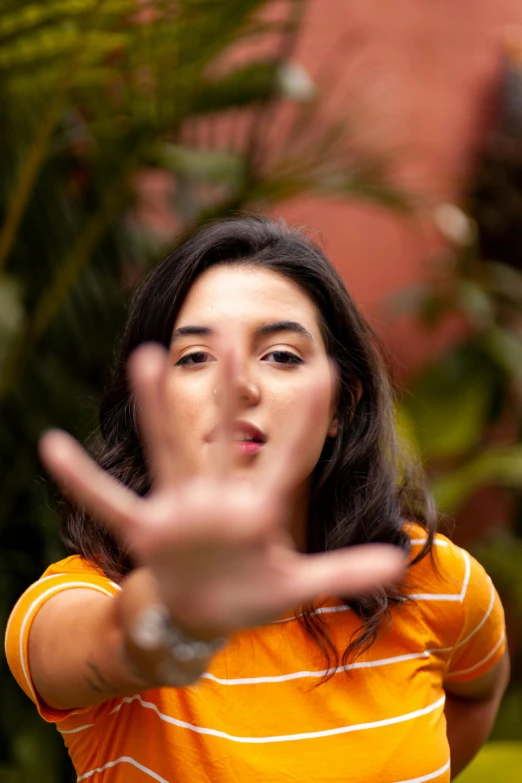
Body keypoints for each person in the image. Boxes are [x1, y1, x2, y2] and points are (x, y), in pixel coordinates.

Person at [5, 216, 509, 783]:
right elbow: (95, 645)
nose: (237, 385)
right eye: (195, 357)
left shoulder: (432, 575)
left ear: (341, 407)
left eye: (281, 355)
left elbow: (476, 694)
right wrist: (172, 617)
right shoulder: (79, 596)